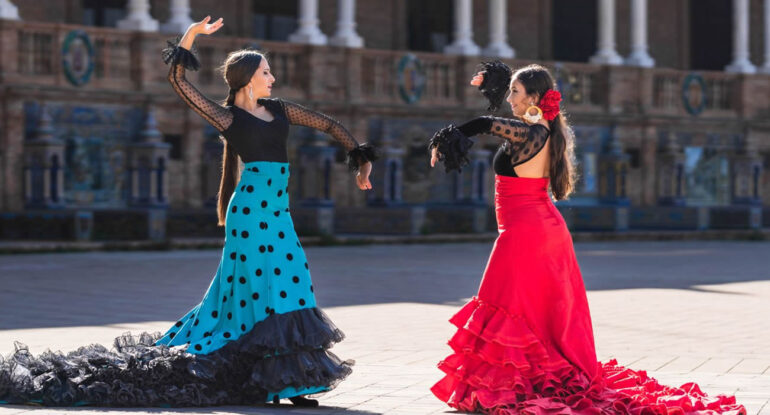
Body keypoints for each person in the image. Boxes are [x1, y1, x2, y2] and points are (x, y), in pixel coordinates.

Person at [0, 15, 376, 408]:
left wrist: (361, 159)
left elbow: (329, 124)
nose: (273, 78)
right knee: (257, 292)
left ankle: (289, 380)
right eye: (266, 72)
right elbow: (179, 82)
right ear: (248, 78)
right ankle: (275, 382)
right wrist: (191, 35)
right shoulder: (229, 117)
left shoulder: (280, 110)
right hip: (248, 216)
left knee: (293, 282)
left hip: (278, 215)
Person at [428, 61, 745, 415]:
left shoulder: (534, 133)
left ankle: (505, 388)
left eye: (515, 93)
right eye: (510, 92)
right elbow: (499, 119)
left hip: (527, 233)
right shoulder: (541, 127)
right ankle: (509, 384)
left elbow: (488, 124)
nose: (509, 99)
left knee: (505, 304)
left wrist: (448, 136)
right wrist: (497, 83)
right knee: (529, 310)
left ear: (534, 97)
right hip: (539, 230)